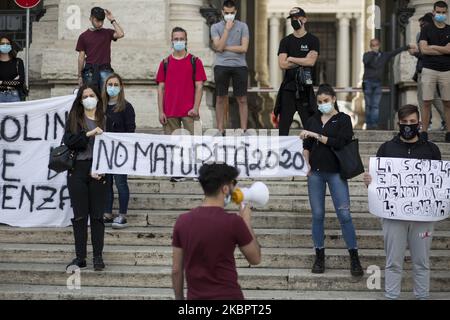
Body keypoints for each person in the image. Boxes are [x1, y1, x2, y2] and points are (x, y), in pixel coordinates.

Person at [363, 104, 441, 300]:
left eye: (412, 122)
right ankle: (391, 296)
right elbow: (378, 184)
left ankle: (422, 296)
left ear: (419, 124)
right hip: (393, 215)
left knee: (422, 262)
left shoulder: (432, 150)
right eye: (404, 122)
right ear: (398, 123)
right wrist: (370, 183)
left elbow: (439, 182)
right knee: (393, 261)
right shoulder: (386, 148)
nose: (408, 125)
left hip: (423, 216)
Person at [299, 84, 363, 277]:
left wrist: (315, 135)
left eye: (325, 101)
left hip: (336, 172)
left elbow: (340, 142)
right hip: (316, 174)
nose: (322, 105)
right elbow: (307, 145)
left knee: (344, 215)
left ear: (334, 99)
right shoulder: (312, 120)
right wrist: (306, 164)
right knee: (317, 215)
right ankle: (319, 256)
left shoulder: (343, 119)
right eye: (319, 102)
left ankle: (354, 257)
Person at [171, 163, 261, 300]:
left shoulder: (182, 221)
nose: (234, 189)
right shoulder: (233, 222)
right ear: (225, 188)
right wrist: (246, 222)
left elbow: (176, 270)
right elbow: (255, 258)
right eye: (233, 184)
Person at [64, 85, 107, 271]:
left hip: (100, 170)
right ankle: (80, 256)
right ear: (80, 100)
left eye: (92, 95)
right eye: (85, 96)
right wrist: (88, 134)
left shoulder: (106, 119)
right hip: (78, 170)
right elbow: (69, 141)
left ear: (98, 97)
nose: (88, 98)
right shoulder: (75, 117)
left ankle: (98, 256)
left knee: (97, 216)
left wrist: (104, 168)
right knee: (80, 216)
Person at [156, 26, 207, 182]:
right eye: (176, 39)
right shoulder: (165, 62)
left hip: (190, 111)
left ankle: (196, 170)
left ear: (186, 41)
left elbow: (199, 86)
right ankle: (178, 171)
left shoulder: (195, 61)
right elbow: (161, 88)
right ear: (171, 41)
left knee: (195, 140)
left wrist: (196, 107)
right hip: (170, 110)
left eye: (181, 39)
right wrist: (160, 111)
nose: (179, 41)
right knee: (174, 143)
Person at [275, 7, 320, 136]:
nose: (295, 21)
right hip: (288, 88)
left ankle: (310, 154)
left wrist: (291, 58)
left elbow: (311, 62)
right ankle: (282, 154)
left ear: (304, 19)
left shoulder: (313, 40)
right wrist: (303, 60)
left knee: (309, 125)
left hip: (305, 88)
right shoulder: (285, 41)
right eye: (292, 19)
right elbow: (282, 64)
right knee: (283, 127)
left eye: (297, 18)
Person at [102, 73, 136, 229]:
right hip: (104, 152)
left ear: (121, 87)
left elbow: (131, 130)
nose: (112, 88)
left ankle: (122, 215)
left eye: (116, 85)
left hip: (121, 153)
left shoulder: (126, 107)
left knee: (121, 183)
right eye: (110, 84)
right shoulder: (99, 106)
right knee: (106, 183)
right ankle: (107, 213)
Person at [211, 0, 250, 134]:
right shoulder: (215, 27)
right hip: (221, 65)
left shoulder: (243, 26)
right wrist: (227, 30)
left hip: (240, 65)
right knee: (221, 97)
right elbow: (218, 47)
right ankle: (220, 128)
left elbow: (244, 48)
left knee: (242, 98)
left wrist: (224, 47)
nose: (229, 15)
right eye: (226, 13)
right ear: (222, 12)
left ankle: (244, 129)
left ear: (236, 12)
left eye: (232, 13)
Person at [362, 39, 414, 130]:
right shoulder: (367, 55)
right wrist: (373, 53)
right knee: (368, 105)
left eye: (376, 45)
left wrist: (407, 46)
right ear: (370, 46)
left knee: (375, 105)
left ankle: (373, 125)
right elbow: (366, 61)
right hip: (368, 82)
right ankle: (368, 124)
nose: (375, 47)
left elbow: (395, 52)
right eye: (373, 45)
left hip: (377, 83)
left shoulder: (384, 55)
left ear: (379, 45)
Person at [419, 1, 450, 142]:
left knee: (448, 102)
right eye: (438, 12)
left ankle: (449, 132)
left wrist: (433, 47)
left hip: (446, 71)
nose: (441, 15)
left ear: (447, 13)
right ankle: (424, 132)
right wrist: (443, 49)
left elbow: (449, 50)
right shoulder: (426, 29)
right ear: (433, 12)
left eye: (443, 12)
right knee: (426, 102)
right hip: (429, 69)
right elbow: (423, 49)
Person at [410, 13, 446, 132]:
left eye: (423, 24)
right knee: (434, 98)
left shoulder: (427, 34)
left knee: (424, 99)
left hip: (428, 70)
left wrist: (416, 52)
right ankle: (444, 121)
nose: (421, 27)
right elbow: (426, 51)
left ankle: (427, 125)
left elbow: (424, 53)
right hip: (429, 69)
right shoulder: (425, 34)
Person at [76, 7, 125, 92]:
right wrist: (79, 76)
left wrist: (112, 20)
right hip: (89, 71)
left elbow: (120, 34)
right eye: (97, 20)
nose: (100, 23)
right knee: (91, 97)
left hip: (105, 70)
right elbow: (81, 57)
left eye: (102, 21)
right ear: (90, 18)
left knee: (107, 97)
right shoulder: (83, 36)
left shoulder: (107, 32)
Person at [0, 35, 24, 103]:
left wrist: (1, 82)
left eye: (7, 44)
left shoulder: (18, 62)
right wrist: (12, 82)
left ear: (11, 46)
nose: (5, 45)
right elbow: (16, 82)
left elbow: (20, 82)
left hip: (14, 96)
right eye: (2, 44)